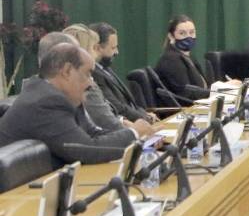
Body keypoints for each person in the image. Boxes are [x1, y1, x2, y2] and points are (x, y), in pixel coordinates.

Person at [0, 44, 153, 167]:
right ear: (67, 71)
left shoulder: (63, 97)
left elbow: (92, 134)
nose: (91, 83)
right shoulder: (45, 102)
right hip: (17, 193)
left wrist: (136, 137)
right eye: (87, 74)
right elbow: (86, 150)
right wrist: (134, 133)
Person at [62, 24, 153, 137]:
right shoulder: (84, 85)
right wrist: (134, 132)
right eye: (94, 48)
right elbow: (104, 122)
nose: (97, 53)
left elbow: (95, 127)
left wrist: (122, 121)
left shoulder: (94, 76)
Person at [89, 22, 157, 123]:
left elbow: (129, 103)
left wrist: (144, 114)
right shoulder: (95, 74)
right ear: (98, 48)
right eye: (113, 48)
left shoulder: (106, 69)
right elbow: (118, 107)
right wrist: (144, 118)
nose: (117, 52)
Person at [155, 14, 210, 101]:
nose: (188, 37)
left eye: (192, 32)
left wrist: (224, 88)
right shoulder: (171, 60)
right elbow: (186, 93)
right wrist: (216, 93)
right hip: (183, 108)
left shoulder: (190, 58)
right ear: (171, 36)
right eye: (182, 33)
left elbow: (203, 87)